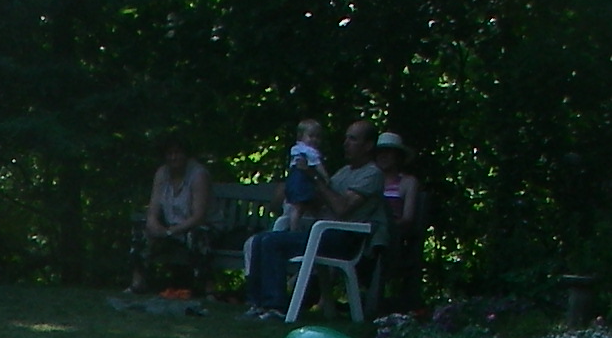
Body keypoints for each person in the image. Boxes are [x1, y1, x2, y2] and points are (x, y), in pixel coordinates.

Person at [244, 119, 386, 318]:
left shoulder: (372, 174)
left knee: (271, 243)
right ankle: (257, 304)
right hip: (323, 232)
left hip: (344, 239)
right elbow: (320, 202)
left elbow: (342, 208)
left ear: (368, 145)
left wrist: (314, 177)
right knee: (260, 240)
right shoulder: (344, 172)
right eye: (346, 138)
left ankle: (275, 307)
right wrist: (297, 187)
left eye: (353, 139)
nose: (345, 143)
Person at [128, 137, 216, 294]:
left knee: (197, 236)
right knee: (141, 231)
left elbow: (199, 216)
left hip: (199, 226)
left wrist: (172, 231)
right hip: (170, 227)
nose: (173, 157)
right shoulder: (162, 174)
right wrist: (154, 225)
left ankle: (207, 289)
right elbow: (153, 210)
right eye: (169, 153)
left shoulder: (198, 175)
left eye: (177, 153)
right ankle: (138, 282)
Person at [374, 131, 425, 312]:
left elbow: (408, 218)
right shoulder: (369, 179)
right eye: (380, 152)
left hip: (391, 237)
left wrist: (388, 226)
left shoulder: (408, 182)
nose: (384, 156)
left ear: (398, 156)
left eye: (389, 152)